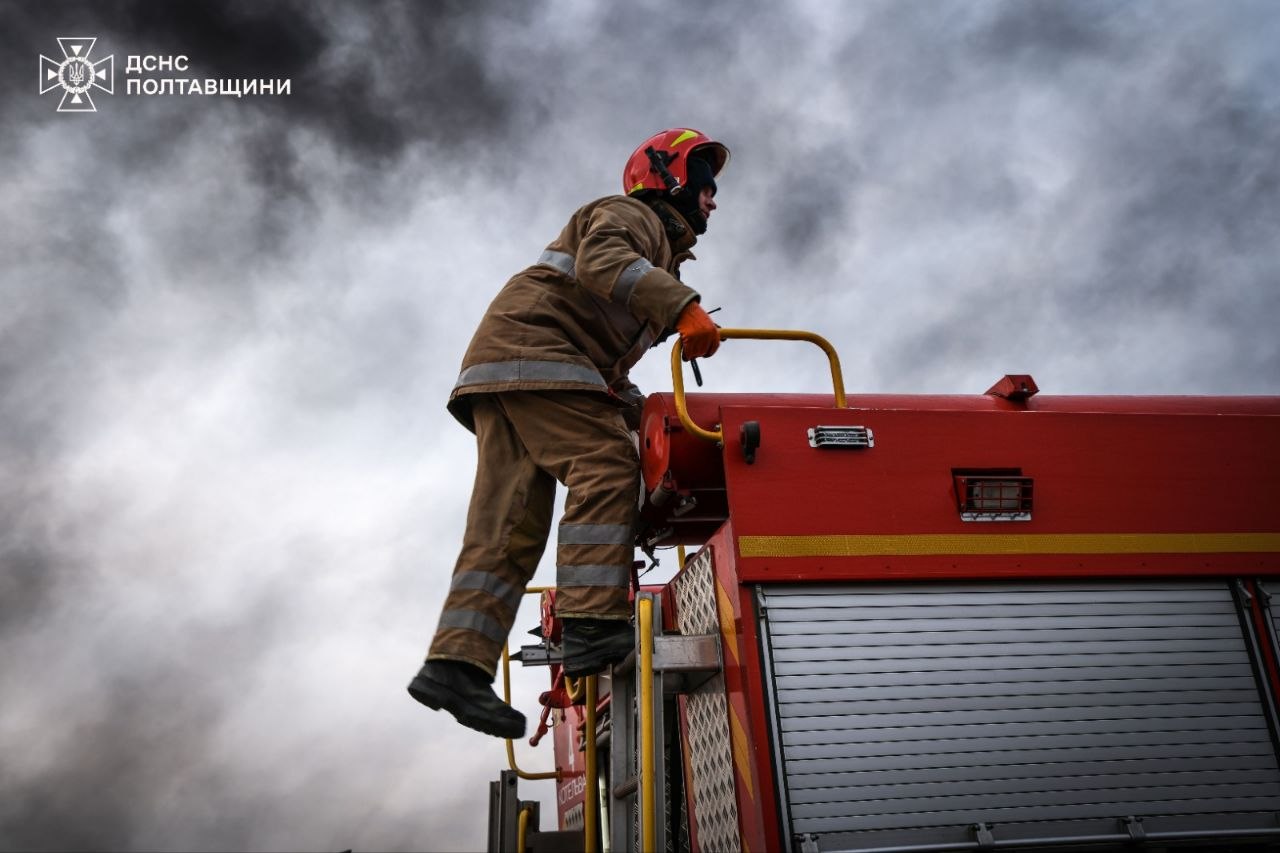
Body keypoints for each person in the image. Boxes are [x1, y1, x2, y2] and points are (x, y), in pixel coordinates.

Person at [406, 128, 729, 739]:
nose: (713, 202)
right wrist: (682, 307)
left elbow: (605, 374)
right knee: (605, 465)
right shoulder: (629, 217)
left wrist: (649, 415)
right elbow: (604, 260)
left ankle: (455, 666)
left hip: (515, 364)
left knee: (508, 525)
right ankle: (588, 622)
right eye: (707, 187)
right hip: (537, 353)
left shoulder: (654, 252)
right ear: (670, 177)